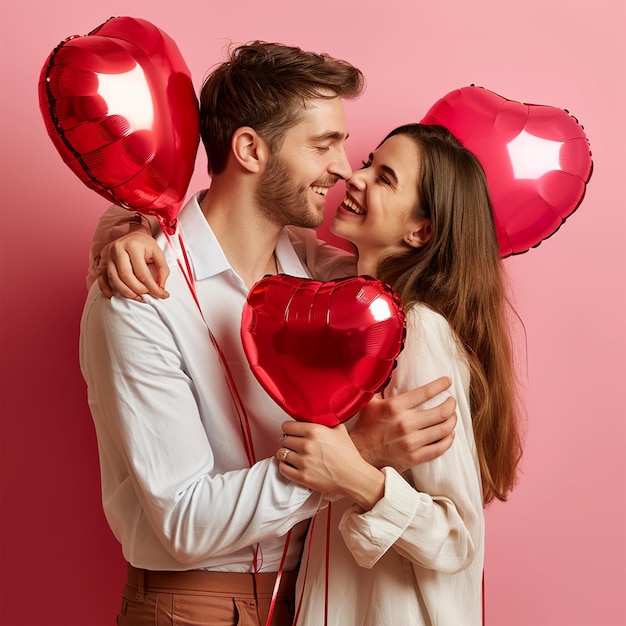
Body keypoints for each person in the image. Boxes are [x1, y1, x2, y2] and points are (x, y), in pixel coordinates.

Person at [80, 42, 457, 626]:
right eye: (324, 144)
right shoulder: (142, 295)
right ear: (251, 149)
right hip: (192, 606)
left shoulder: (318, 270)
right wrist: (353, 457)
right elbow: (186, 522)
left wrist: (131, 219)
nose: (343, 168)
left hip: (311, 601)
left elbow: (410, 265)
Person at [273, 124, 525, 625]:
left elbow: (458, 539)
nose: (356, 176)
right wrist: (132, 228)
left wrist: (357, 476)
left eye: (384, 177)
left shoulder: (418, 331)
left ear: (421, 231)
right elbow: (233, 233)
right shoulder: (337, 296)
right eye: (368, 161)